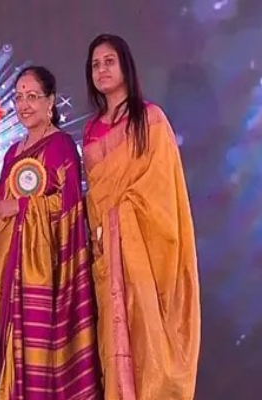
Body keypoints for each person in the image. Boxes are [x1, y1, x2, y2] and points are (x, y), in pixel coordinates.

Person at [84, 34, 200, 400]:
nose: (101, 70)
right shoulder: (91, 129)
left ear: (125, 67)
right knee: (113, 342)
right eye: (95, 65)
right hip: (108, 255)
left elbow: (162, 189)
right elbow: (95, 197)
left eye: (109, 62)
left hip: (146, 253)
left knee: (150, 339)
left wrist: (121, 215)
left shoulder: (150, 119)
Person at [0, 66, 100, 399]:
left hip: (49, 273)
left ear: (50, 101)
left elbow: (69, 206)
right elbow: (1, 207)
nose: (24, 105)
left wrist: (22, 207)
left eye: (33, 96)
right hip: (12, 270)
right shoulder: (12, 153)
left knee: (45, 355)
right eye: (19, 97)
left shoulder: (61, 146)